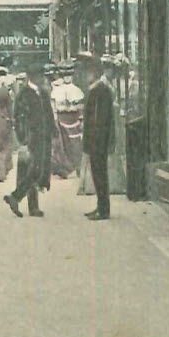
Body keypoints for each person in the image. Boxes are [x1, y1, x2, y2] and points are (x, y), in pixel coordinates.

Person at [3, 59, 52, 218]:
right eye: (41, 75)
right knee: (34, 170)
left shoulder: (42, 93)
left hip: (43, 137)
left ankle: (32, 206)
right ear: (33, 77)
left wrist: (53, 131)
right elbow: (20, 119)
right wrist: (23, 141)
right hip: (31, 138)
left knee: (33, 171)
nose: (43, 78)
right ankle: (16, 197)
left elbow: (48, 114)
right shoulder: (24, 94)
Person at [80, 52, 116, 220]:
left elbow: (100, 120)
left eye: (87, 71)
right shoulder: (98, 89)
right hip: (96, 140)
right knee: (98, 174)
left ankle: (103, 210)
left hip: (98, 141)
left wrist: (95, 141)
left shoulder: (100, 90)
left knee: (100, 175)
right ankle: (100, 206)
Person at [48, 66, 77, 178]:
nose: (67, 78)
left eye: (69, 75)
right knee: (59, 144)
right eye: (64, 75)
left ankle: (72, 167)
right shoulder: (56, 90)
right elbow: (53, 105)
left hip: (72, 120)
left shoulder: (75, 89)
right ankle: (62, 168)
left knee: (72, 144)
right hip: (60, 118)